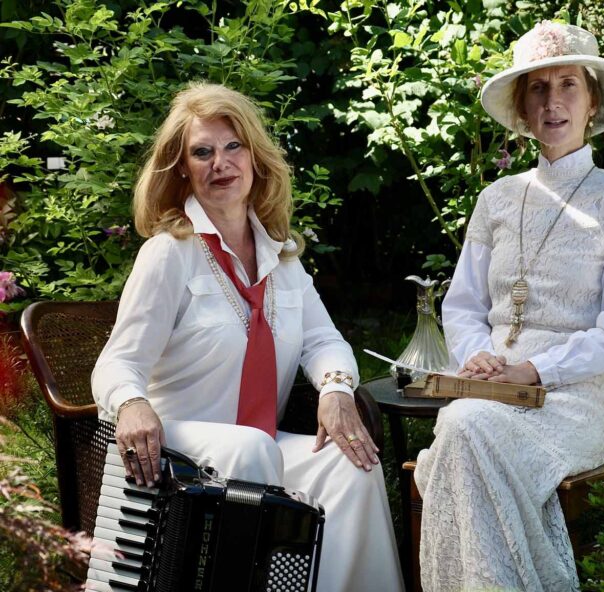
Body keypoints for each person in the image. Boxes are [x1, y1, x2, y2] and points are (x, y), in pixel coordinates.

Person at [91, 82, 403, 592]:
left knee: (353, 466)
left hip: (259, 445)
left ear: (255, 158)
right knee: (254, 447)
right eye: (202, 152)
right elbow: (116, 364)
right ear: (183, 169)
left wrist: (337, 390)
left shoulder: (282, 257)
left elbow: (324, 341)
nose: (221, 163)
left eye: (233, 146)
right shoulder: (169, 253)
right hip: (177, 450)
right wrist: (130, 405)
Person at [413, 21, 604, 591]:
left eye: (567, 84)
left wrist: (533, 369)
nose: (553, 102)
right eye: (538, 89)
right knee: (467, 422)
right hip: (488, 387)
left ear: (592, 101)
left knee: (462, 432)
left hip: (569, 402)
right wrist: (476, 358)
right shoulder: (495, 198)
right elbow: (465, 304)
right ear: (521, 108)